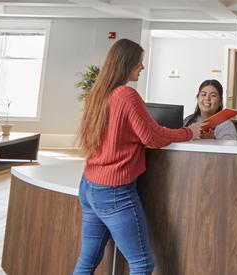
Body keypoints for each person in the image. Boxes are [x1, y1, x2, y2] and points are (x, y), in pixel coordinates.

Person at [74, 39, 205, 275]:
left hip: (89, 186)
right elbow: (151, 137)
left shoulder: (98, 94)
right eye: (139, 62)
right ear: (126, 63)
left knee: (88, 259)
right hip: (114, 191)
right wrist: (189, 132)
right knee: (142, 263)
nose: (142, 67)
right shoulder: (126, 95)